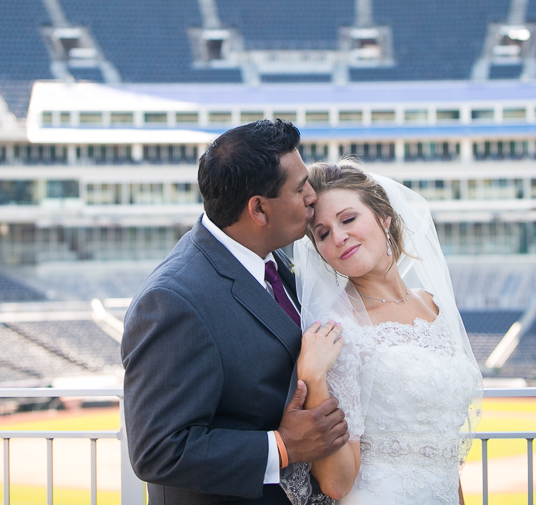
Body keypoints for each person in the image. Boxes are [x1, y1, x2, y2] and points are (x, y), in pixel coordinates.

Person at [121, 120, 349, 505]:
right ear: (258, 209)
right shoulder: (173, 300)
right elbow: (158, 450)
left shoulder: (270, 258)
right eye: (299, 188)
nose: (313, 196)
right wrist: (282, 446)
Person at [283, 161, 482, 505]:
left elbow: (444, 455)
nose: (339, 237)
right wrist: (314, 379)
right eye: (323, 233)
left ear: (384, 216)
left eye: (347, 219)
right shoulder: (337, 330)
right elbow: (336, 483)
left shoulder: (435, 308)